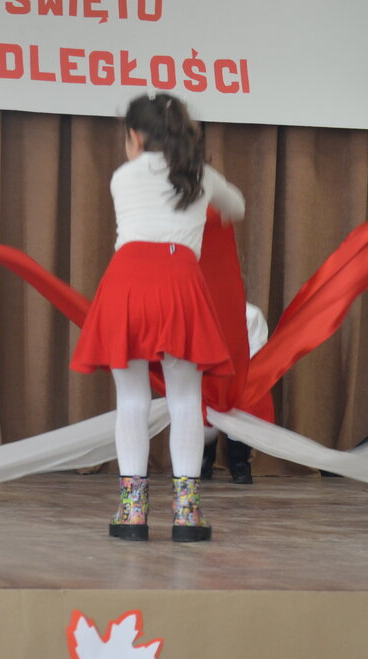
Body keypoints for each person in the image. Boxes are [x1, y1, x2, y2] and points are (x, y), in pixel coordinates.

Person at [71, 92, 245, 542]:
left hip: (126, 282)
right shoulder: (201, 175)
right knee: (186, 400)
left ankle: (132, 513)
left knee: (131, 399)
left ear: (134, 136)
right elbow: (237, 207)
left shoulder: (122, 177)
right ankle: (187, 514)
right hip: (179, 282)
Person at [200, 302, 268, 484]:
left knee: (239, 417)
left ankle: (240, 465)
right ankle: (203, 463)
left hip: (241, 377)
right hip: (207, 376)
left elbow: (257, 349)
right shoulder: (203, 311)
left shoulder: (251, 314)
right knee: (204, 417)